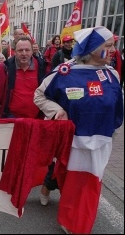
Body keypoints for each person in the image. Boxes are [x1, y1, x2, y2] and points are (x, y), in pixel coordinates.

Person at [34, 26, 123, 234]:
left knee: (90, 186)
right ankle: (70, 219)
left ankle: (79, 224)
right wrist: (57, 110)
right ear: (92, 49)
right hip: (73, 143)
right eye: (108, 46)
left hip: (101, 143)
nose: (113, 51)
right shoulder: (65, 72)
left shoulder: (112, 75)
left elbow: (117, 109)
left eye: (114, 46)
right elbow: (39, 95)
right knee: (73, 186)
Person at [0, 37, 46, 119]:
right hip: (11, 118)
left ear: (32, 51)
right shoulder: (5, 68)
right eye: (20, 50)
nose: (24, 53)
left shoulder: (42, 66)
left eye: (27, 50)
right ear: (14, 52)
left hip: (36, 119)